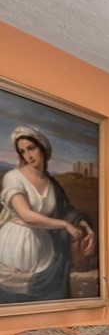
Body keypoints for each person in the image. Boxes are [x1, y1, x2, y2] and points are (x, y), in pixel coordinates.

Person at [0, 126, 95, 302]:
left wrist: (83, 223)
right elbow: (26, 215)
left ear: (43, 148)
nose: (28, 155)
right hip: (15, 244)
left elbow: (67, 211)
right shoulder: (13, 177)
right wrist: (65, 225)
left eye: (31, 148)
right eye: (22, 151)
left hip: (44, 248)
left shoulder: (52, 184)